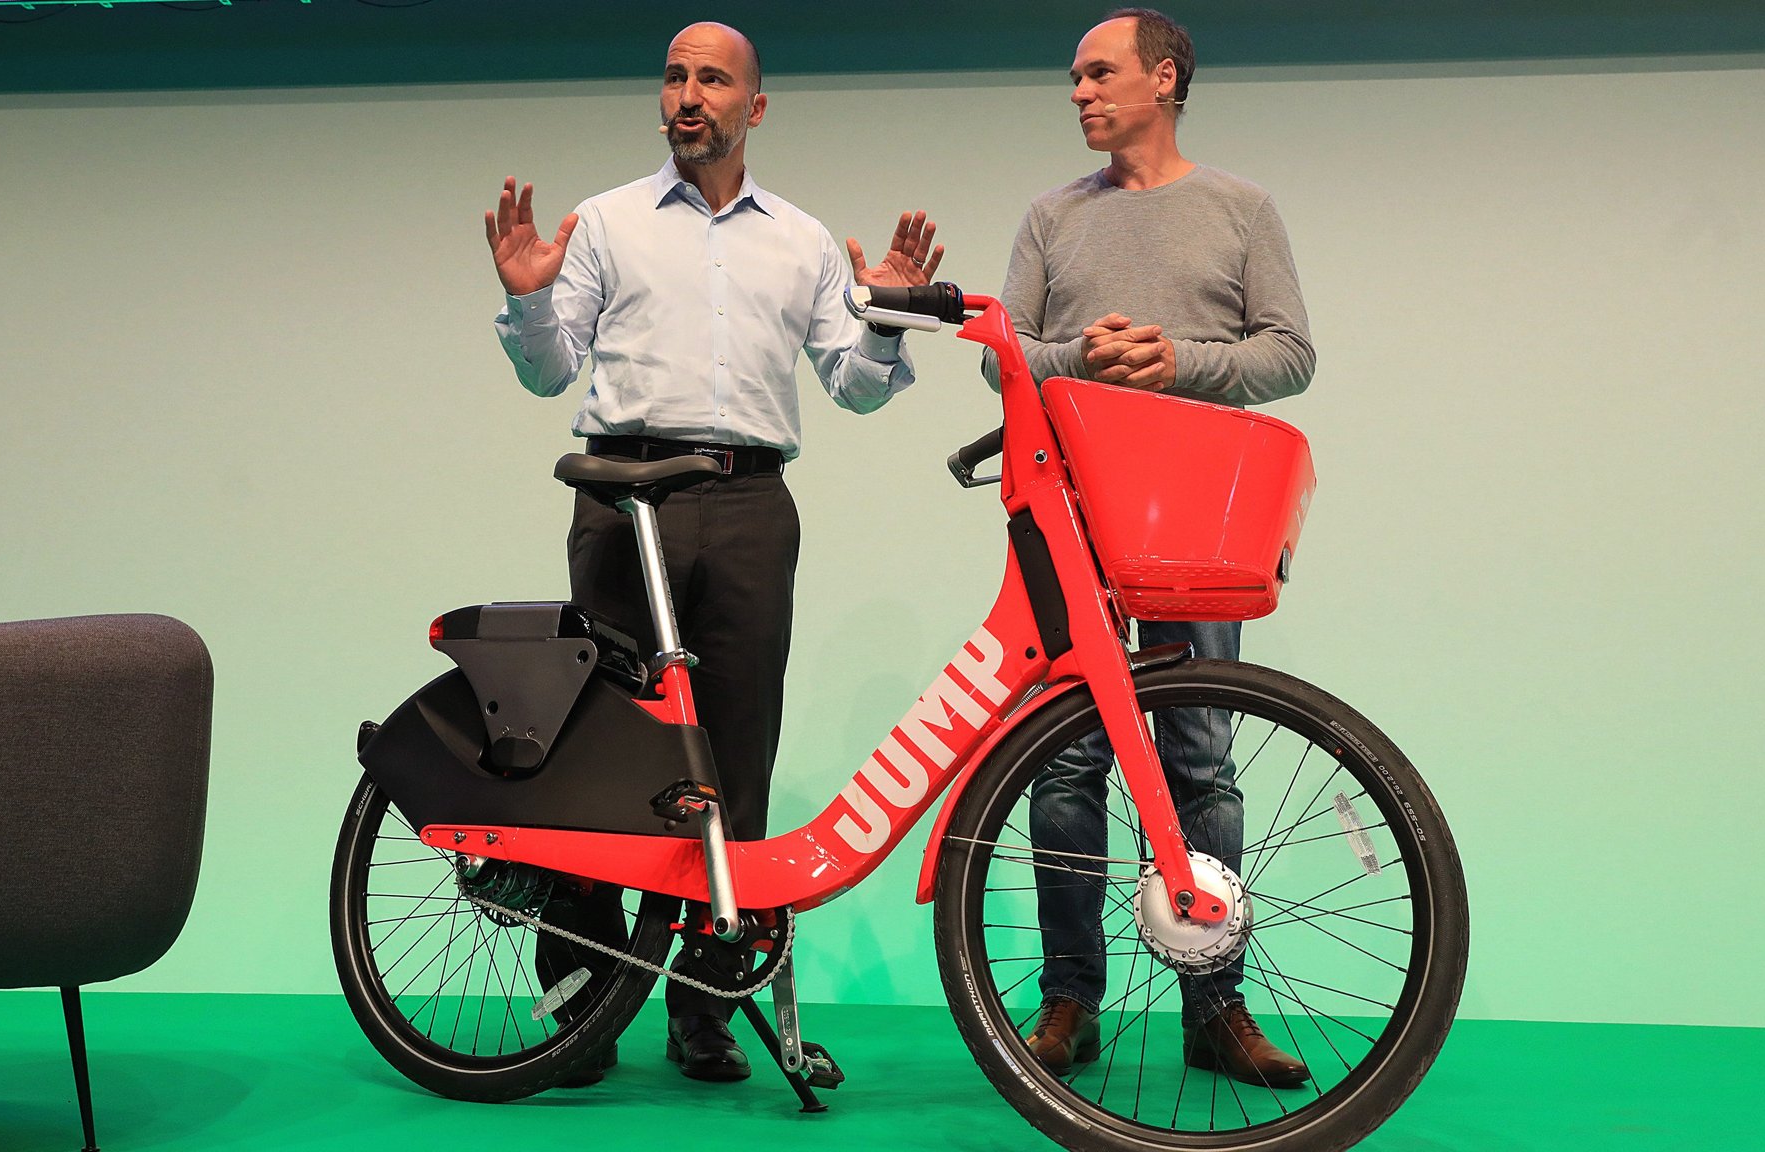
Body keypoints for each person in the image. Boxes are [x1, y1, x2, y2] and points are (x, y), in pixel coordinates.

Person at [487, 21, 943, 1085]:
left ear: (754, 106)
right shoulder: (603, 222)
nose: (687, 94)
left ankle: (705, 1011)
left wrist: (881, 316)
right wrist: (523, 293)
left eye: (712, 79)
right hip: (619, 497)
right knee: (600, 751)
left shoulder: (799, 238)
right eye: (674, 76)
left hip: (746, 508)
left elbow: (856, 389)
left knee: (735, 760)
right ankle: (577, 1011)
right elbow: (547, 375)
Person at [991, 8, 1316, 1087]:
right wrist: (1077, 358)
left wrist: (1175, 360)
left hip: (1195, 520)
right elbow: (1004, 361)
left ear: (1163, 78)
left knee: (1197, 757)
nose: (1078, 92)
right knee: (1066, 760)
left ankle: (1214, 1007)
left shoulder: (1240, 209)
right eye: (1072, 78)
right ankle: (1065, 1001)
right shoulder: (1047, 218)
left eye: (1097, 73)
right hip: (1074, 519)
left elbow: (1287, 355)